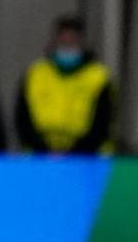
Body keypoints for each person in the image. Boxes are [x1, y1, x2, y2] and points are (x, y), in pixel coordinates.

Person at [15, 15, 115, 154]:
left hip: (87, 157)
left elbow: (103, 123)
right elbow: (22, 120)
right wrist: (45, 150)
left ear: (82, 43)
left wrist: (72, 154)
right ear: (54, 42)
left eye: (72, 42)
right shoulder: (35, 74)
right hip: (40, 155)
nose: (67, 47)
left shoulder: (98, 77)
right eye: (63, 42)